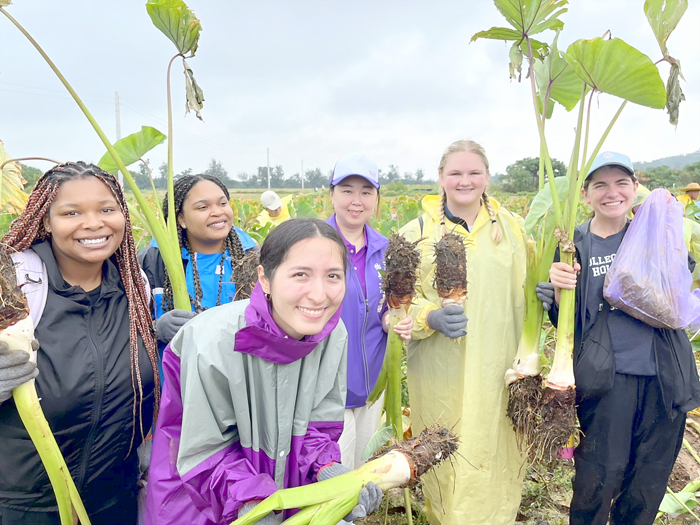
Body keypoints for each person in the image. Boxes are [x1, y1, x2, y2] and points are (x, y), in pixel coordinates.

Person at [146, 218, 383, 525]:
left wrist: (330, 473)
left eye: (333, 276)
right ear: (265, 278)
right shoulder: (211, 341)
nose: (319, 294)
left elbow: (316, 426)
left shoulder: (333, 333)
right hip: (199, 498)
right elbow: (203, 449)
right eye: (301, 275)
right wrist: (253, 506)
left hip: (278, 494)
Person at [537, 151, 700, 525]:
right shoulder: (573, 244)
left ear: (635, 188)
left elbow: (676, 295)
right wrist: (561, 292)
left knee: (648, 481)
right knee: (597, 479)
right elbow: (567, 322)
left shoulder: (654, 233)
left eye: (621, 183)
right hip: (607, 381)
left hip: (665, 378)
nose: (612, 192)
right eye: (601, 185)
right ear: (586, 194)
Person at [0, 162, 158, 524]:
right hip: (22, 507)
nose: (93, 223)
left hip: (115, 501)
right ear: (46, 221)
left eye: (106, 209)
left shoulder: (135, 290)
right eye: (72, 212)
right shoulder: (15, 289)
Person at [398, 140, 526, 524]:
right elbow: (400, 303)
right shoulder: (415, 231)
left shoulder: (514, 230)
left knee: (498, 449)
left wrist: (547, 293)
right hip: (440, 371)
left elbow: (528, 291)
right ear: (441, 178)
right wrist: (429, 317)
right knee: (445, 452)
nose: (464, 181)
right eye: (455, 173)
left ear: (487, 177)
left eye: (474, 173)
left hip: (499, 366)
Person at [326, 153, 413, 470]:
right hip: (327, 388)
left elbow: (388, 308)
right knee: (332, 472)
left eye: (366, 192)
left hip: (373, 385)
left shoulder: (389, 249)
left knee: (361, 468)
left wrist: (395, 320)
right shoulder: (312, 242)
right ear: (331, 194)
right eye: (347, 189)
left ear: (377, 199)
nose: (356, 200)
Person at [138, 174, 258, 349]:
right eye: (203, 207)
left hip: (235, 373)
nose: (218, 212)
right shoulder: (151, 261)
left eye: (223, 203)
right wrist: (155, 329)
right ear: (181, 219)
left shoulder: (251, 258)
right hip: (172, 374)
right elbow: (119, 332)